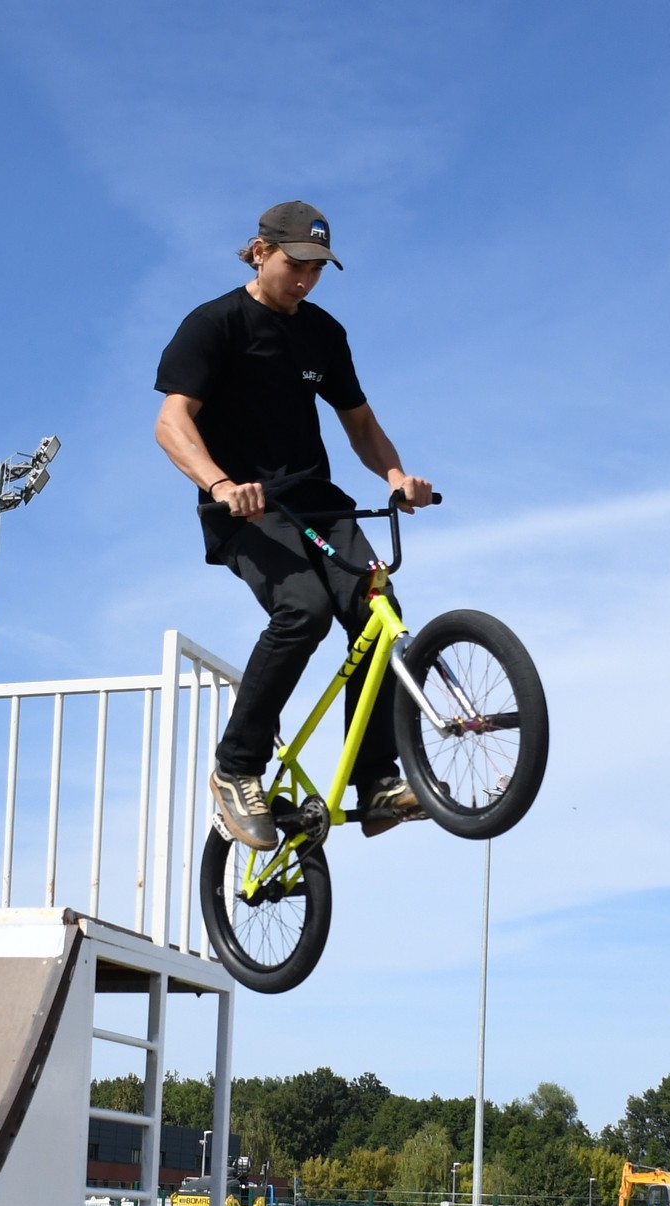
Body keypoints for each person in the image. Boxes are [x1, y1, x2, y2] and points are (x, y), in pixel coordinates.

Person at [153, 200, 436, 852]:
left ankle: (375, 782)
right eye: (295, 266)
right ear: (260, 251)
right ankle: (237, 766)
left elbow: (359, 422)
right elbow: (171, 424)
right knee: (302, 607)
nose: (305, 281)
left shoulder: (323, 334)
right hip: (245, 510)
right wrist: (221, 484)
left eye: (317, 271)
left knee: (378, 613)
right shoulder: (215, 324)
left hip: (318, 504)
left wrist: (394, 476)